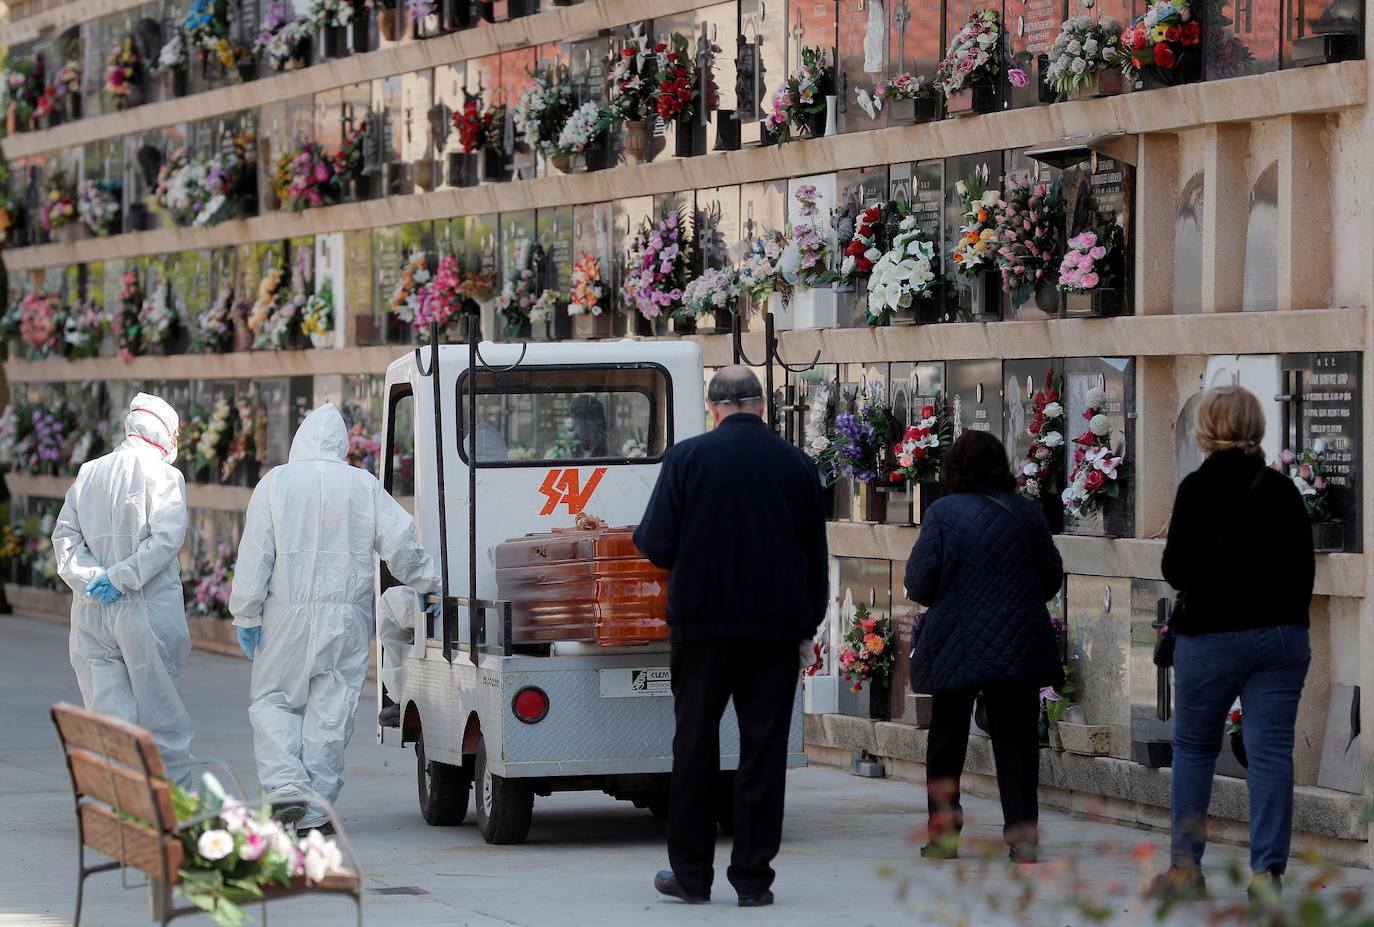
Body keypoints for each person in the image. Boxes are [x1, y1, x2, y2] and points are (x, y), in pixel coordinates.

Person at [634, 365, 827, 908]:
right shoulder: (797, 464)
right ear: (762, 406)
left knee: (693, 746)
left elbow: (655, 541)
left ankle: (691, 876)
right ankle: (753, 881)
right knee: (763, 753)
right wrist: (805, 624)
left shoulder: (688, 458)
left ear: (712, 409)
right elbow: (816, 555)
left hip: (702, 626)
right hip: (774, 628)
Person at [230, 403, 440, 833]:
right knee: (332, 707)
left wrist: (246, 613)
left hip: (284, 615)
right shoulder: (361, 485)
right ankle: (313, 807)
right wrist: (429, 583)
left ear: (300, 440)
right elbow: (400, 540)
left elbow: (255, 555)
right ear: (343, 445)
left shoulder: (275, 483)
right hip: (346, 617)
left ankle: (286, 785)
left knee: (274, 700)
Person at [1152, 386, 1313, 901]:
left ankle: (1185, 871)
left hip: (1211, 638)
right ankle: (1268, 875)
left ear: (1206, 429)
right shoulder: (1283, 490)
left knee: (1196, 750)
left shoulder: (1197, 489)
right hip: (1281, 640)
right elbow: (1302, 572)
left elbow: (1175, 570)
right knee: (1271, 756)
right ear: (1255, 428)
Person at [904, 430, 1063, 863]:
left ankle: (944, 836)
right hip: (1018, 643)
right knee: (1016, 742)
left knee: (946, 739)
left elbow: (919, 583)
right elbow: (1051, 576)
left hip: (956, 640)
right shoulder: (1026, 514)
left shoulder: (943, 514)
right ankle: (1023, 839)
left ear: (953, 469)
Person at [51, 393, 196, 785]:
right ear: (166, 432)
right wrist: (122, 578)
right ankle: (171, 808)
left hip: (92, 610)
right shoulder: (165, 476)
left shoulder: (90, 472)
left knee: (107, 712)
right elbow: (165, 541)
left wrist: (92, 578)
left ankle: (120, 803)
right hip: (145, 610)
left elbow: (64, 537)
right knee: (160, 713)